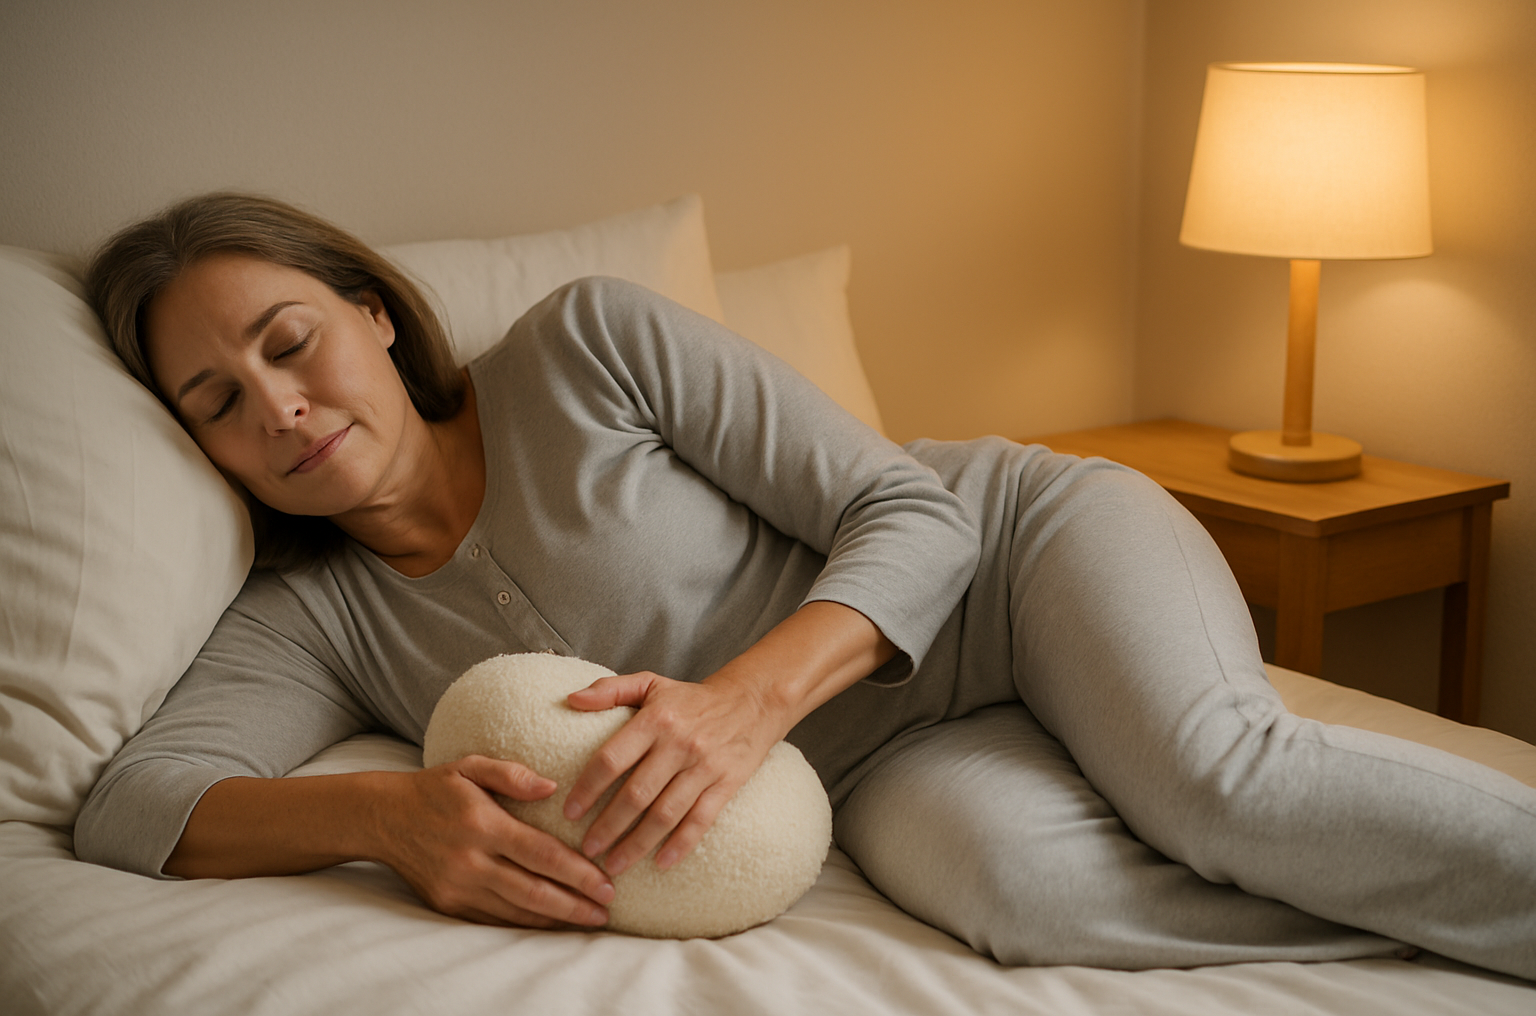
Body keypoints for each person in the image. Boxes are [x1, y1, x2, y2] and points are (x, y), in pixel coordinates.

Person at [76, 193, 1536, 977]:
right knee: (1030, 898)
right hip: (890, 753)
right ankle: (1437, 914)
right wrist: (384, 817)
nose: (276, 407)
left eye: (288, 342)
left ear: (375, 314)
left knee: (1218, 788)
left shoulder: (584, 348)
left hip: (1018, 555)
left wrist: (738, 706)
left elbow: (908, 511)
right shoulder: (314, 616)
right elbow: (133, 805)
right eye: (216, 401)